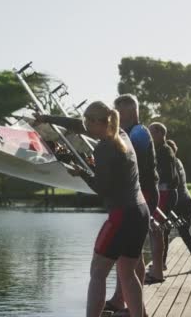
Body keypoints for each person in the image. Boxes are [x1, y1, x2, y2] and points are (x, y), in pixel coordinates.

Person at [34, 101, 150, 317]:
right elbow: (79, 125)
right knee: (127, 273)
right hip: (141, 212)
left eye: (89, 122)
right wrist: (48, 118)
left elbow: (102, 189)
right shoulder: (122, 134)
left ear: (99, 122)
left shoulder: (104, 147)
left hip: (121, 215)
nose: (85, 126)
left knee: (97, 273)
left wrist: (83, 173)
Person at [103, 94, 164, 313]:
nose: (114, 115)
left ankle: (128, 304)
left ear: (129, 111)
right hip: (139, 194)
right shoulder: (130, 132)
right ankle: (124, 301)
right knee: (132, 254)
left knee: (127, 254)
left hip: (143, 194)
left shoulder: (138, 132)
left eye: (117, 111)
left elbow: (130, 163)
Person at [148, 122, 179, 272]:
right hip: (165, 193)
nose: (149, 135)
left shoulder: (164, 151)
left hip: (166, 193)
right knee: (159, 229)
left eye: (151, 132)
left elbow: (165, 175)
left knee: (159, 229)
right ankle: (160, 263)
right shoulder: (161, 149)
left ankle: (160, 265)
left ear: (160, 133)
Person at [167, 139, 191, 272]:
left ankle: (162, 263)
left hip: (178, 204)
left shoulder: (170, 163)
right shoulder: (178, 161)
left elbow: (171, 184)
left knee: (165, 231)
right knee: (183, 232)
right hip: (186, 201)